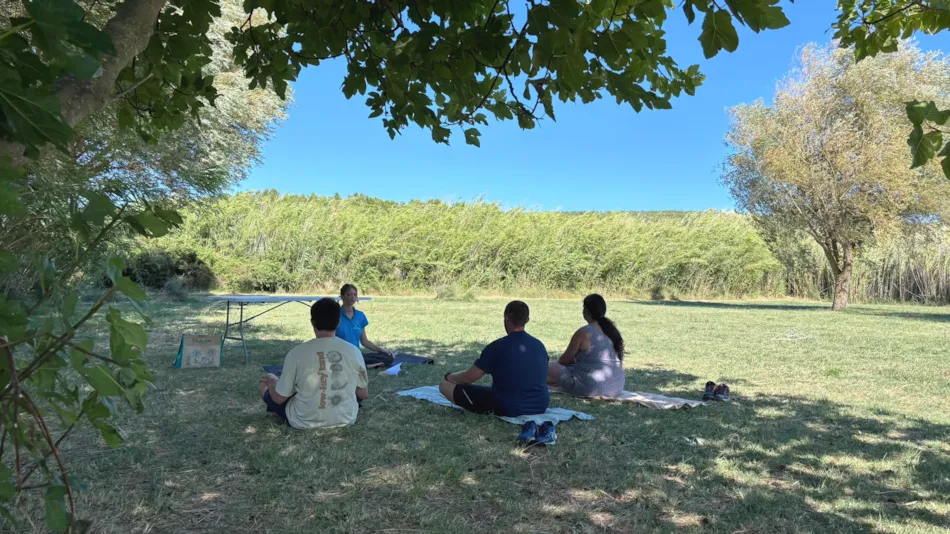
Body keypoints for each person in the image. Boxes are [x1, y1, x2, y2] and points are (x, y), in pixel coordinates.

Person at [257, 298, 369, 429]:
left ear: (312, 323)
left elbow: (279, 398)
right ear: (338, 322)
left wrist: (271, 381)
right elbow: (363, 394)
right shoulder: (353, 351)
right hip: (346, 418)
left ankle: (279, 411)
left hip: (303, 420)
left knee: (263, 384)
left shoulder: (296, 353)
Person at [439, 301, 549, 417]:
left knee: (445, 385)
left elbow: (468, 378)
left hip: (508, 407)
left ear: (506, 319)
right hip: (540, 405)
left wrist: (449, 377)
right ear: (527, 320)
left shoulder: (497, 347)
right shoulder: (539, 345)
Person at [547, 294, 625, 398]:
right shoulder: (612, 331)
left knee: (548, 367)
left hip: (592, 387)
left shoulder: (584, 332)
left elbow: (564, 361)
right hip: (616, 387)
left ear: (586, 311)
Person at [337, 283, 392, 357]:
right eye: (349, 294)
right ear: (342, 296)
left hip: (356, 355)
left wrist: (381, 350)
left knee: (387, 357)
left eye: (354, 294)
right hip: (340, 355)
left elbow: (364, 341)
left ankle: (372, 363)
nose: (352, 297)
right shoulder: (335, 316)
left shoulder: (360, 315)